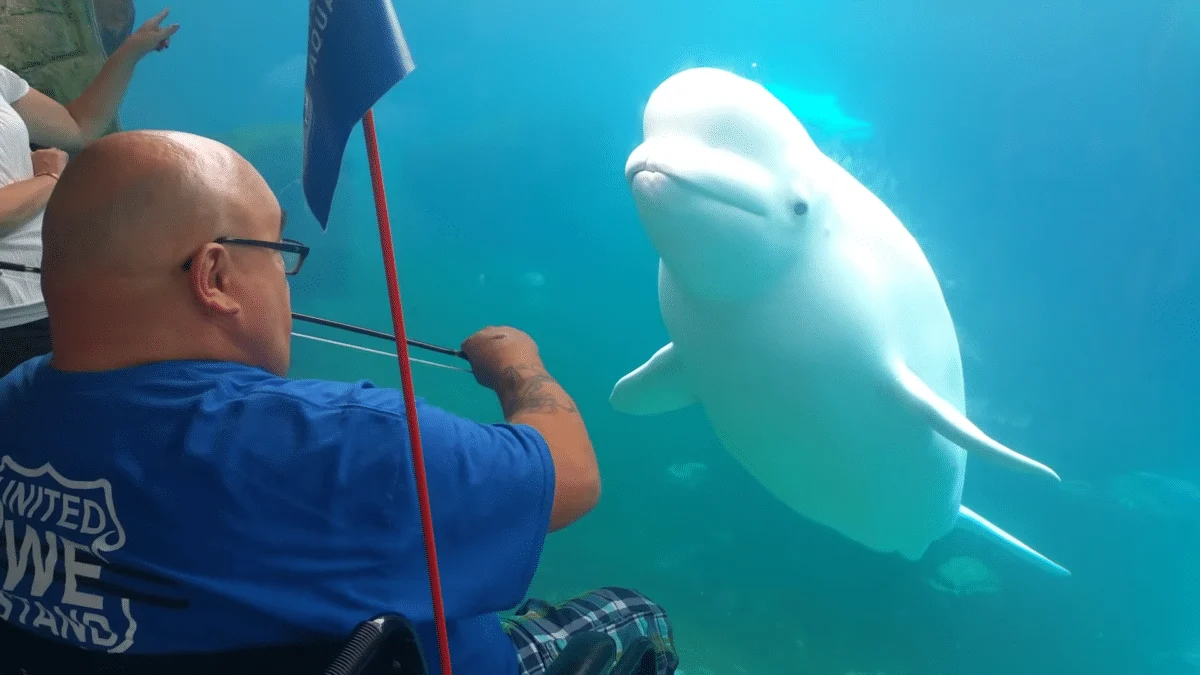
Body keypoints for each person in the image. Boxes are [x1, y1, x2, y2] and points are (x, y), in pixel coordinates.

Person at [0, 129, 678, 675]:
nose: (287, 280)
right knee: (633, 614)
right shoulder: (339, 444)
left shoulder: (12, 405)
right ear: (214, 276)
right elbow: (570, 476)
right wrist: (519, 367)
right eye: (276, 250)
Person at [0, 9, 179, 377]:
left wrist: (130, 52)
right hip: (11, 316)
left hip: (54, 291)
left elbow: (79, 126)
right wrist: (50, 178)